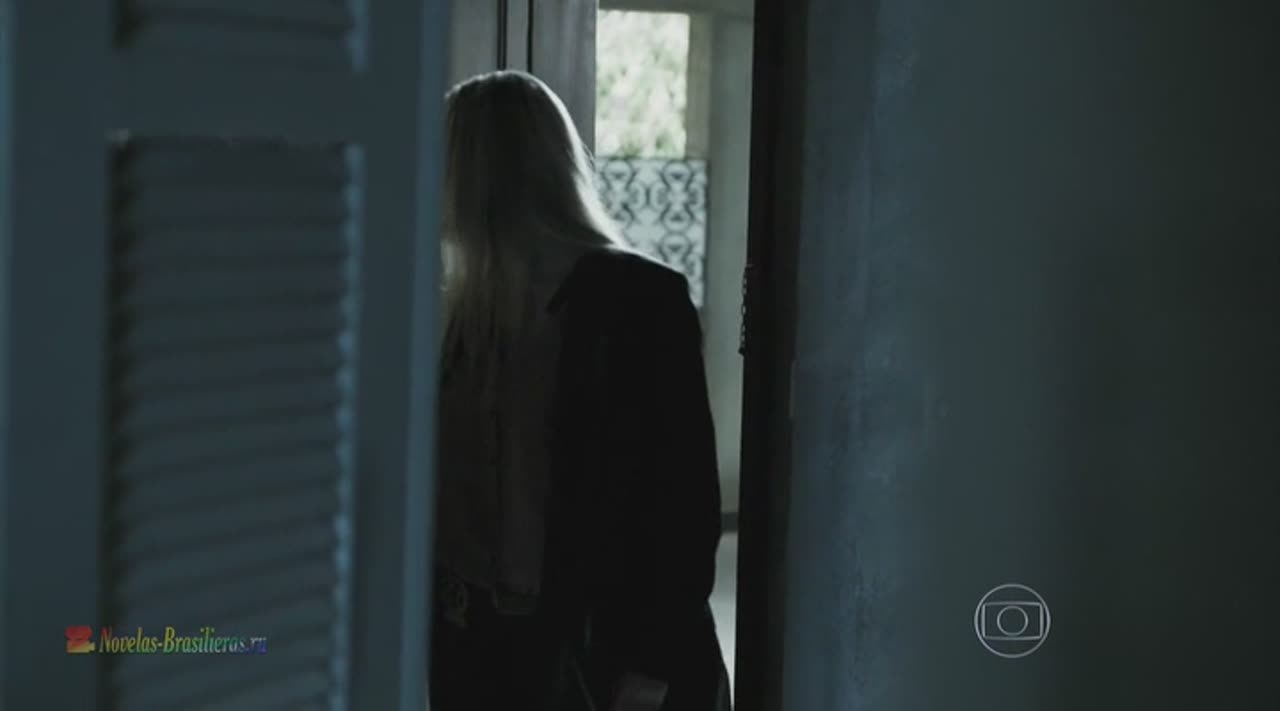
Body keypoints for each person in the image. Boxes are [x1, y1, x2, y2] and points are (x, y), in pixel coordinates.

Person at [430, 70, 731, 711]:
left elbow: (682, 504)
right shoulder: (457, 313)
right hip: (479, 647)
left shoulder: (637, 302)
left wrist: (648, 670)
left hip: (600, 656)